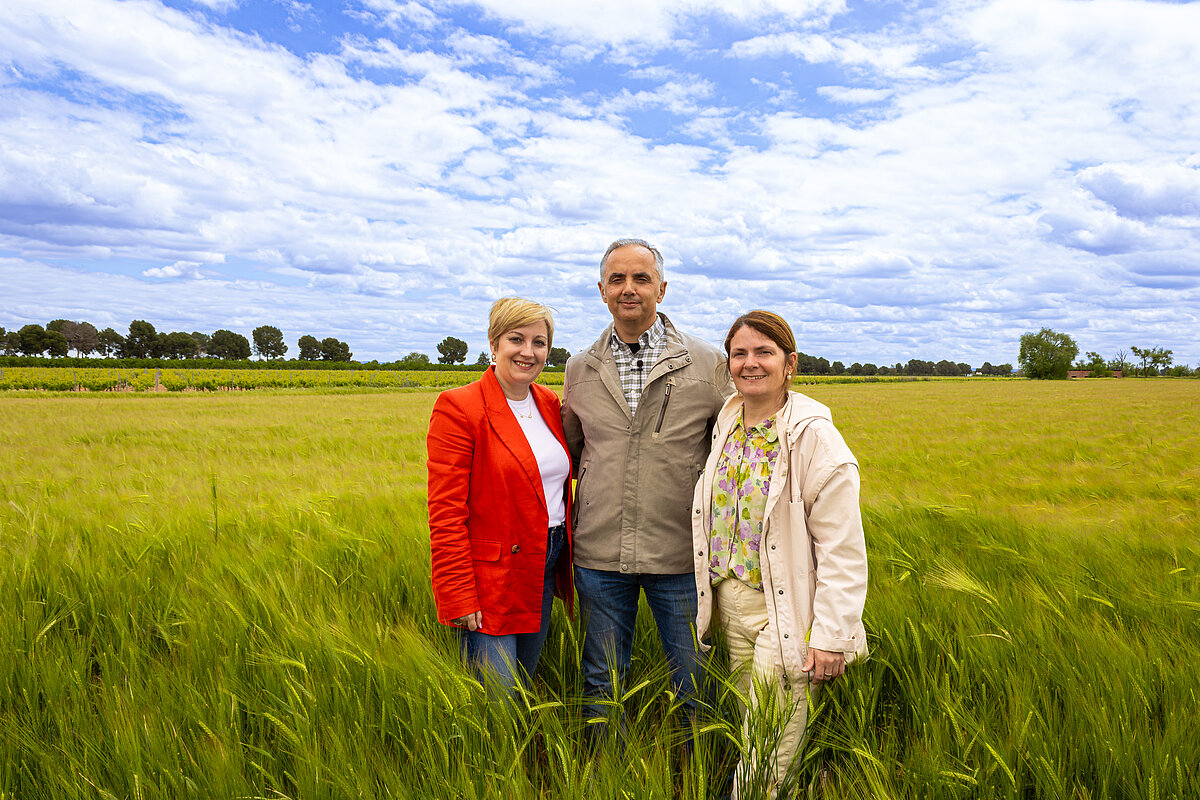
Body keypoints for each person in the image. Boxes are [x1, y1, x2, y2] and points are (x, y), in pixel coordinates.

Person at [691, 310, 868, 799]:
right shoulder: (728, 420)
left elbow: (842, 547)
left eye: (763, 352)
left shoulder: (813, 437)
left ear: (789, 363)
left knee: (769, 745)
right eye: (739, 353)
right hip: (730, 603)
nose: (750, 363)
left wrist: (832, 635)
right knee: (753, 727)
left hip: (782, 610)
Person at [561, 238, 730, 737]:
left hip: (679, 555)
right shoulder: (579, 367)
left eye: (640, 279)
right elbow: (571, 450)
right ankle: (605, 773)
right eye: (617, 279)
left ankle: (693, 772)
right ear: (601, 291)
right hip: (598, 555)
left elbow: (731, 444)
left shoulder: (707, 364)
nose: (628, 289)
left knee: (694, 682)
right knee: (602, 681)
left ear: (662, 289)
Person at [427, 297, 573, 692]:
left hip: (543, 559)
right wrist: (458, 594)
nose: (528, 352)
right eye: (516, 339)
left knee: (524, 682)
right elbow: (445, 512)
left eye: (539, 342)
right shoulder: (459, 407)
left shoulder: (547, 402)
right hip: (490, 573)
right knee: (497, 700)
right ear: (493, 345)